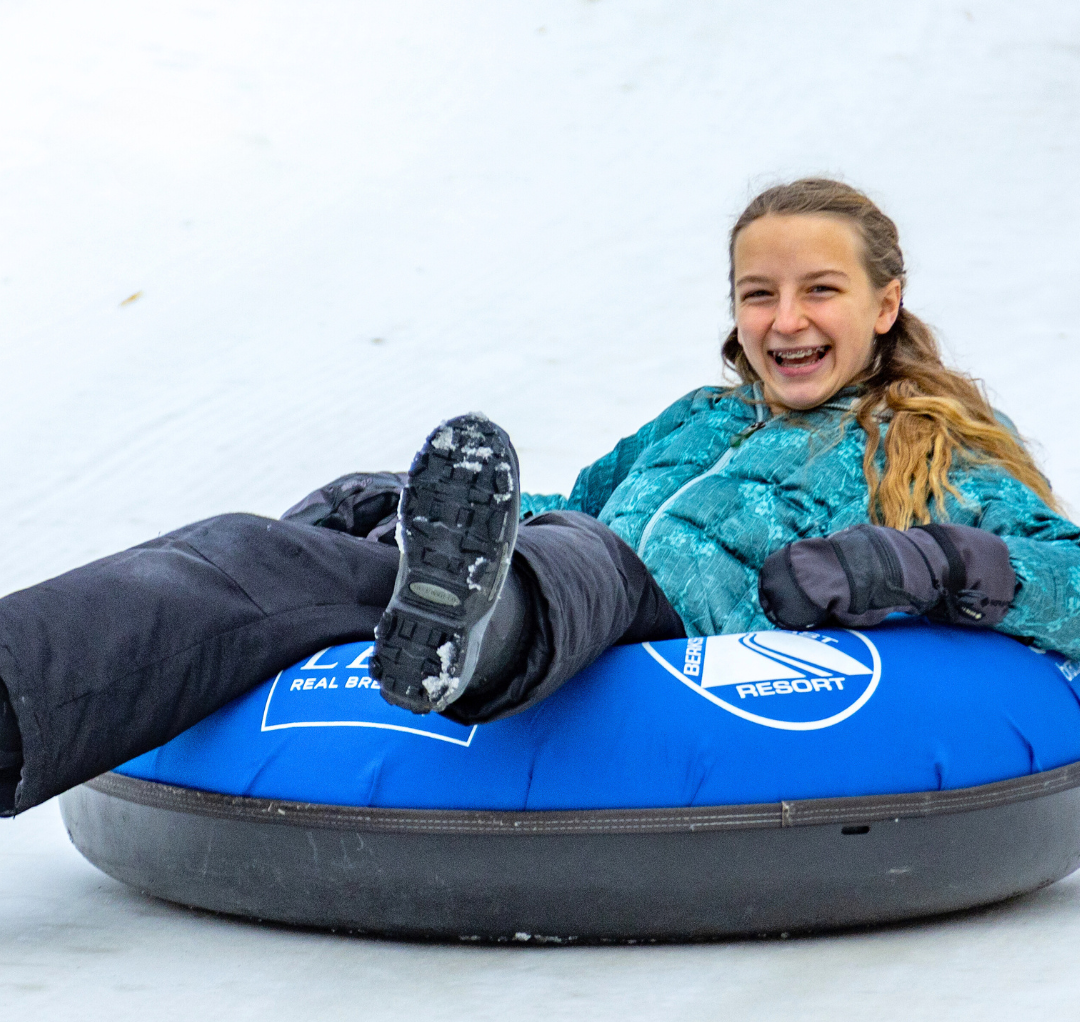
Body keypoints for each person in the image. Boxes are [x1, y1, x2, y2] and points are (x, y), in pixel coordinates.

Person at [0, 177, 1074, 818]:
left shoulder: (928, 445)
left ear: (887, 302)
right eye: (759, 294)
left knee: (582, 563)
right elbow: (587, 499)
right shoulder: (702, 418)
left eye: (820, 291)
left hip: (669, 632)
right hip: (569, 569)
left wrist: (924, 560)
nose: (784, 321)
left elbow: (1064, 574)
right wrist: (392, 507)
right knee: (255, 555)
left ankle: (469, 632)